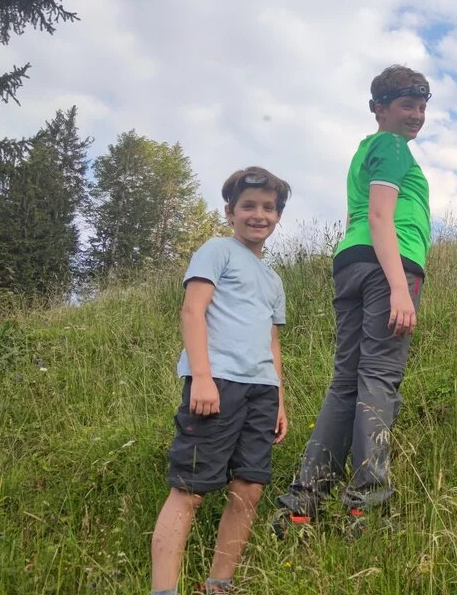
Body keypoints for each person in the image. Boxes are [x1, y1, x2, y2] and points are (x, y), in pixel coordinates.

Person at [273, 65, 431, 537]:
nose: (418, 115)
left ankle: (303, 501)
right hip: (390, 266)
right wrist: (399, 286)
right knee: (379, 378)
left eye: (423, 106)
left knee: (346, 382)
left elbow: (354, 219)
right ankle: (368, 507)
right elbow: (381, 216)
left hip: (352, 264)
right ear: (379, 108)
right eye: (408, 105)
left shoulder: (364, 151)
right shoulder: (392, 147)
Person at [150, 167, 292, 595]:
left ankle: (219, 585)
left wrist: (280, 401)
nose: (259, 215)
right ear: (230, 211)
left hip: (261, 392)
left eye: (269, 207)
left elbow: (272, 342)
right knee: (190, 490)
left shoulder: (273, 278)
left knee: (249, 487)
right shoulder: (217, 251)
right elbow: (193, 311)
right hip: (217, 384)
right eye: (249, 206)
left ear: (278, 216)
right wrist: (202, 379)